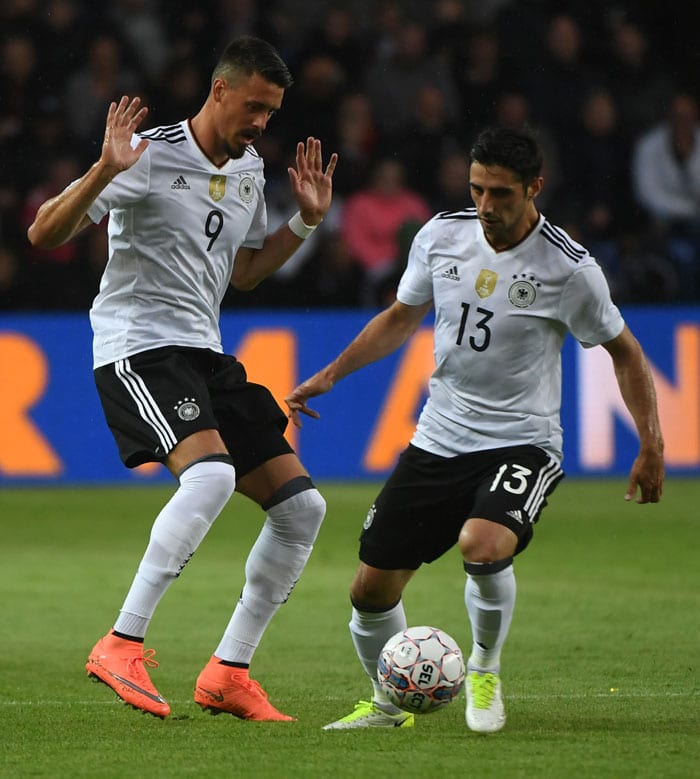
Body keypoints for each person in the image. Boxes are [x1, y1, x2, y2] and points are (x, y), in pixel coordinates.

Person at [285, 126, 664, 733]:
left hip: (523, 440)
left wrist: (651, 443)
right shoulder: (441, 235)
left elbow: (625, 351)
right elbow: (400, 317)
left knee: (482, 545)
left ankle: (483, 672)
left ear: (534, 188)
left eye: (502, 194)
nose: (487, 206)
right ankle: (390, 705)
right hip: (439, 436)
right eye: (477, 189)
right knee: (369, 592)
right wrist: (332, 374)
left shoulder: (570, 270)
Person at [27, 35, 337, 721]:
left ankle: (228, 670)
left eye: (271, 111)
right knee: (212, 475)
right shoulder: (146, 155)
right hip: (138, 348)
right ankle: (121, 641)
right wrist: (102, 173)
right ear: (219, 91)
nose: (260, 123)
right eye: (252, 105)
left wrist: (306, 223)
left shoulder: (251, 169)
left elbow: (245, 272)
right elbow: (43, 234)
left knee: (301, 509)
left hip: (205, 352)